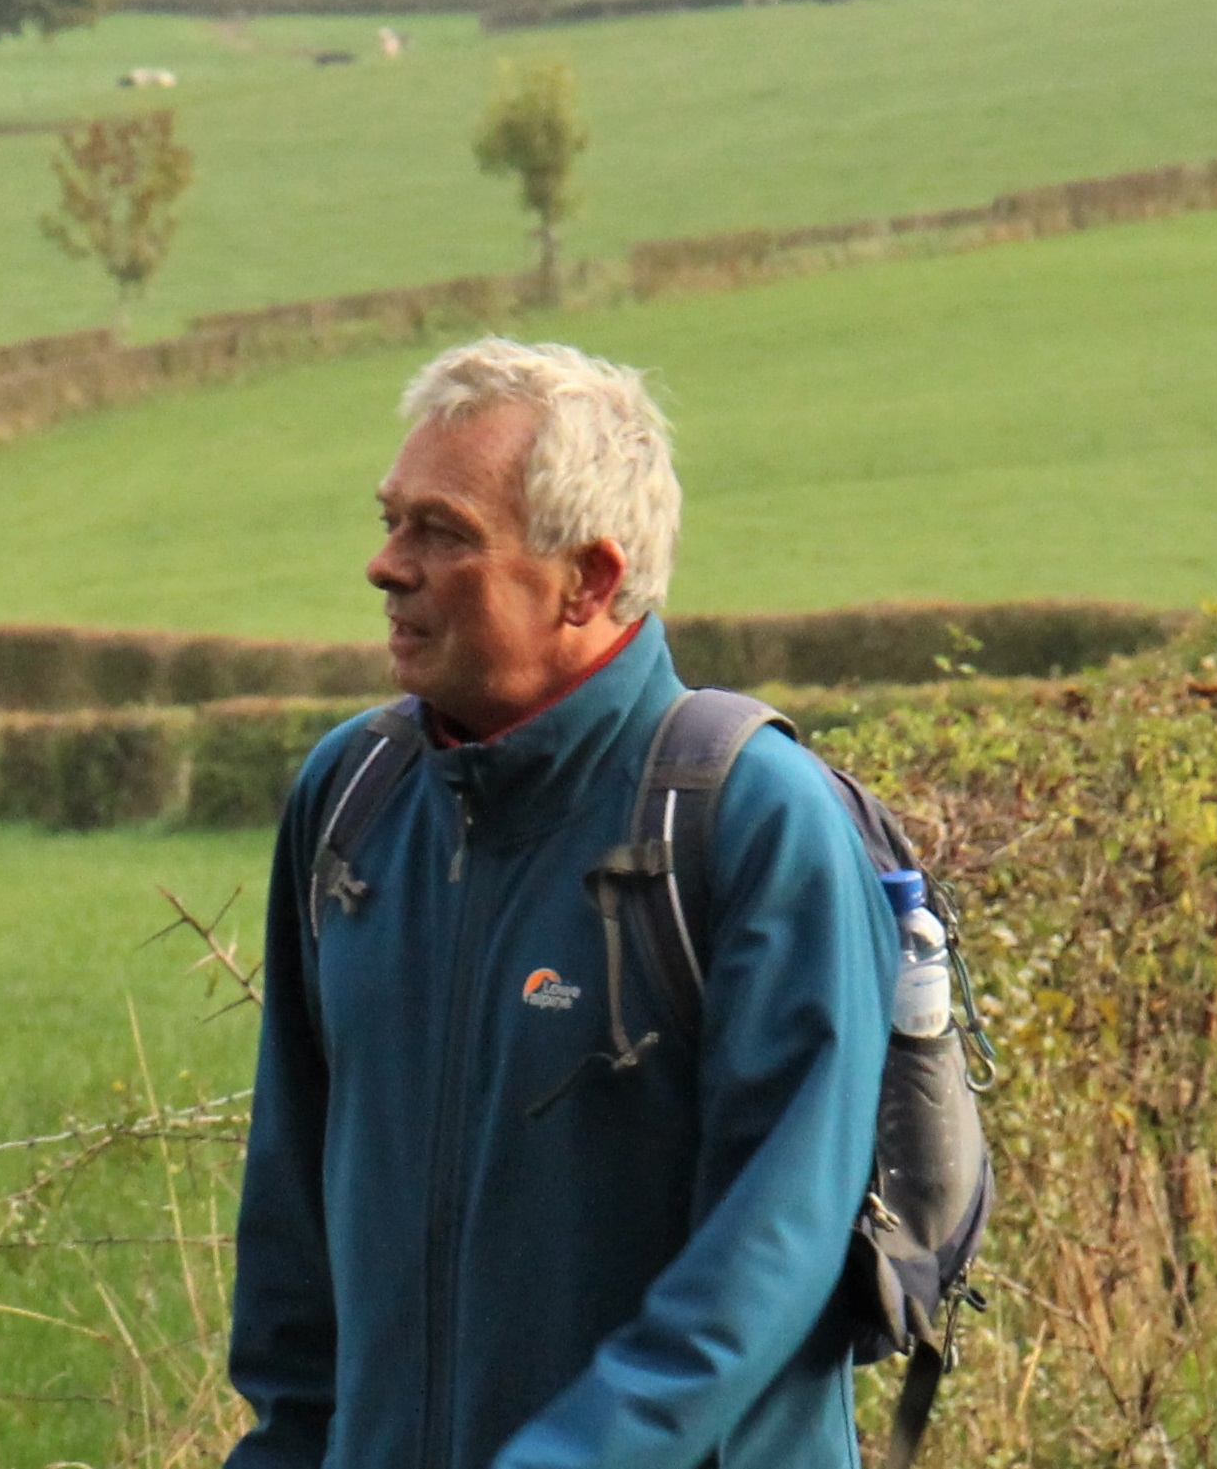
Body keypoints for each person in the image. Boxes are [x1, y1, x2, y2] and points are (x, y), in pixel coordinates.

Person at [225, 337, 897, 1469]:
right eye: (392, 519)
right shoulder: (350, 800)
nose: (387, 565)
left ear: (587, 575)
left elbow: (772, 1250)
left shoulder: (750, 820)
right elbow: (292, 1219)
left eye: (442, 532)